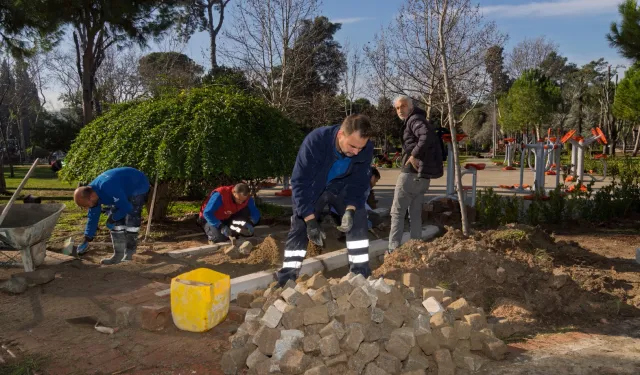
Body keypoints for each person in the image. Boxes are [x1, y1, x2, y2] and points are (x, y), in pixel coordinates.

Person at [276, 114, 374, 286]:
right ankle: (287, 278)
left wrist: (350, 209)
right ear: (340, 134)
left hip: (341, 188)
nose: (356, 152)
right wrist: (309, 220)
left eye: (361, 148)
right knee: (300, 226)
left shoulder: (364, 148)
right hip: (314, 189)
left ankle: (360, 275)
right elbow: (300, 182)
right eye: (352, 146)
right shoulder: (316, 141)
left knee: (358, 220)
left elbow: (359, 183)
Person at [388, 95, 443, 253]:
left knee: (397, 213)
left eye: (403, 106)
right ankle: (416, 249)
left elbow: (426, 136)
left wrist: (414, 155)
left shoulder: (414, 120)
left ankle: (393, 251)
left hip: (410, 175)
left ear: (410, 107)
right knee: (415, 214)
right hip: (422, 177)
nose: (400, 110)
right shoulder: (417, 119)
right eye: (397, 108)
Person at [74, 167, 150, 264]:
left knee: (131, 218)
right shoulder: (92, 193)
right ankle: (118, 255)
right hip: (120, 189)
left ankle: (130, 253)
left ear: (92, 196)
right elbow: (93, 215)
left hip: (137, 184)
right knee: (116, 223)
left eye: (85, 205)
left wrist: (113, 218)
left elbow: (127, 207)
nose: (86, 208)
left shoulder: (107, 187)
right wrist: (87, 237)